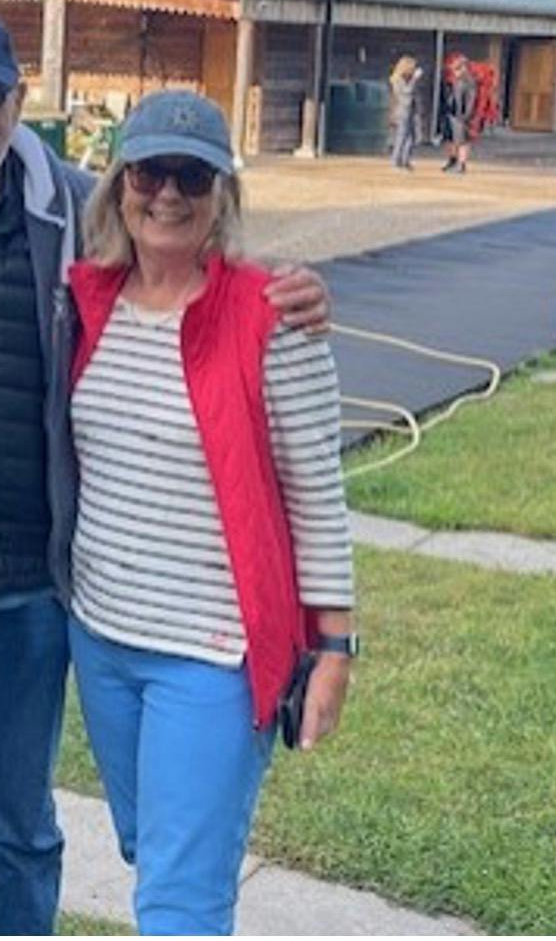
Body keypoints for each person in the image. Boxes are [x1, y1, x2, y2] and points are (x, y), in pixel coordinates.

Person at [0, 8, 329, 936]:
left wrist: (298, 291)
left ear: (18, 100)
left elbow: (182, 247)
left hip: (35, 589)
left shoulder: (78, 211)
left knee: (26, 825)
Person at [64, 90, 355, 934]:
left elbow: (317, 495)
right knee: (149, 850)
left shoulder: (273, 315)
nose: (168, 194)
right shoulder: (88, 301)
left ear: (221, 193)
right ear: (120, 183)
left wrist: (334, 647)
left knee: (177, 901)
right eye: (151, 171)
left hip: (211, 656)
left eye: (192, 176)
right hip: (103, 639)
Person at [439, 53, 478, 174]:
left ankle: (461, 165)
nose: (454, 71)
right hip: (451, 113)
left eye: (457, 68)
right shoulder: (455, 80)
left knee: (462, 141)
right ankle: (452, 160)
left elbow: (471, 100)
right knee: (450, 139)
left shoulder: (469, 81)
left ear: (464, 68)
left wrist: (466, 115)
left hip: (461, 116)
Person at [387, 56, 422, 170]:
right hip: (402, 110)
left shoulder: (408, 79)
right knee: (401, 136)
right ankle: (395, 161)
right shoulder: (397, 79)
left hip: (411, 109)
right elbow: (406, 92)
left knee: (411, 137)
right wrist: (414, 79)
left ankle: (405, 160)